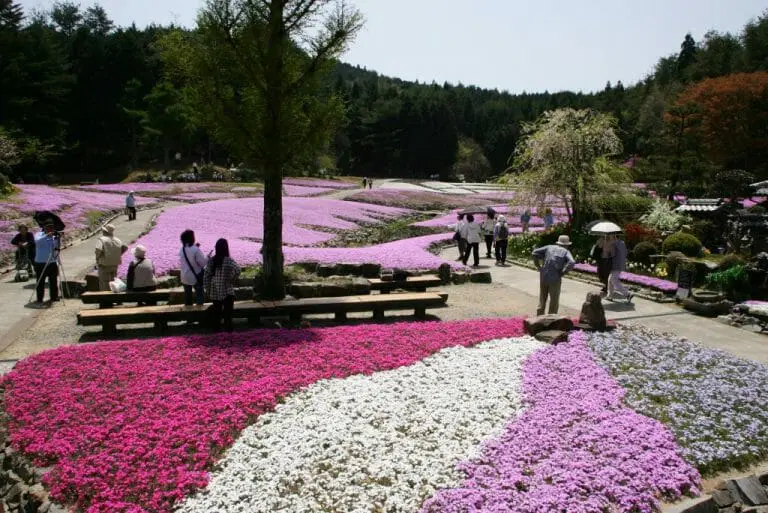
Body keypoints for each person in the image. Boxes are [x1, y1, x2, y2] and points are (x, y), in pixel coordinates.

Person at [532, 235, 575, 316]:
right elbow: (572, 262)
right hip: (555, 277)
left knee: (542, 298)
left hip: (544, 275)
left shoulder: (549, 247)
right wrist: (563, 272)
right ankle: (551, 318)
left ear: (558, 243)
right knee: (554, 300)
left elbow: (534, 252)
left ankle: (539, 316)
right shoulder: (566, 251)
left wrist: (538, 266)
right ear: (566, 245)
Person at [204, 238, 241, 332]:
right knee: (228, 316)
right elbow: (238, 270)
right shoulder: (229, 260)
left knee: (217, 316)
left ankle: (217, 336)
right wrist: (232, 279)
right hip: (228, 291)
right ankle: (229, 335)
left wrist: (208, 290)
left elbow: (206, 277)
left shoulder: (211, 261)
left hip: (215, 291)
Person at [95, 224, 128, 291]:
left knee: (104, 282)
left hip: (104, 264)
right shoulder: (117, 240)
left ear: (105, 231)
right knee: (113, 282)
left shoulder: (102, 240)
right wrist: (118, 254)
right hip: (115, 264)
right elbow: (125, 247)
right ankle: (114, 297)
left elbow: (98, 250)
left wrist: (97, 258)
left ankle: (105, 298)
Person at [32, 222, 60, 304]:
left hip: (52, 262)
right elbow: (37, 241)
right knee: (40, 281)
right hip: (40, 262)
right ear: (44, 228)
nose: (50, 229)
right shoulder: (39, 234)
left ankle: (54, 297)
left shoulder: (54, 237)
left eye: (51, 228)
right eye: (48, 227)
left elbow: (56, 250)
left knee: (53, 281)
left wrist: (58, 263)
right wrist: (47, 235)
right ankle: (40, 298)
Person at [180, 229, 207, 306]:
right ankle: (199, 314)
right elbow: (203, 263)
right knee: (199, 296)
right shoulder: (195, 249)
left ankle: (189, 315)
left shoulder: (181, 249)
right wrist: (208, 257)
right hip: (196, 276)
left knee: (187, 297)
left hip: (185, 276)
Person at [607, 235, 633, 303]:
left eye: (610, 236)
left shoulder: (613, 244)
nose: (609, 237)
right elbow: (625, 253)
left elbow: (611, 254)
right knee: (610, 280)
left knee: (614, 281)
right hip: (620, 264)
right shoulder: (622, 243)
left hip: (616, 265)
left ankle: (627, 294)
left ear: (614, 236)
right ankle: (610, 296)